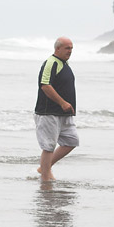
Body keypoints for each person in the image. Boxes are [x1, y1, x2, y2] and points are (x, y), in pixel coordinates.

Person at [34, 37, 79, 182]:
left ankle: (44, 168)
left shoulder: (64, 64)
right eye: (67, 48)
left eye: (71, 48)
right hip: (49, 112)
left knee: (71, 141)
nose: (70, 51)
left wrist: (66, 106)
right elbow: (45, 85)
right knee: (49, 146)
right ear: (57, 48)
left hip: (64, 114)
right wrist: (62, 103)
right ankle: (45, 179)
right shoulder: (51, 63)